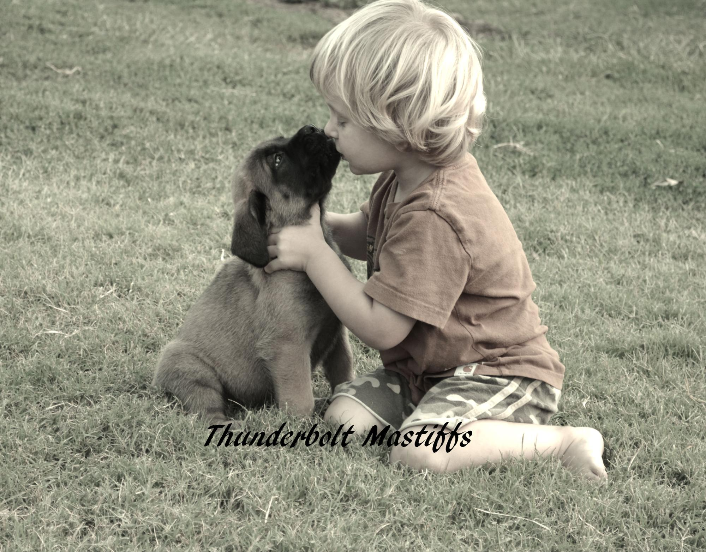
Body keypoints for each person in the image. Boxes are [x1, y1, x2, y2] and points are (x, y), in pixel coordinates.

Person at [264, 0, 607, 480]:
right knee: (344, 420)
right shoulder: (406, 174)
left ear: (399, 126)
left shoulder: (438, 214)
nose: (328, 128)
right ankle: (433, 416)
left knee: (419, 454)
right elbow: (371, 233)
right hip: (429, 372)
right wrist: (316, 227)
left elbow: (382, 328)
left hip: (497, 373)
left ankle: (561, 441)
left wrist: (317, 256)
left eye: (343, 118)